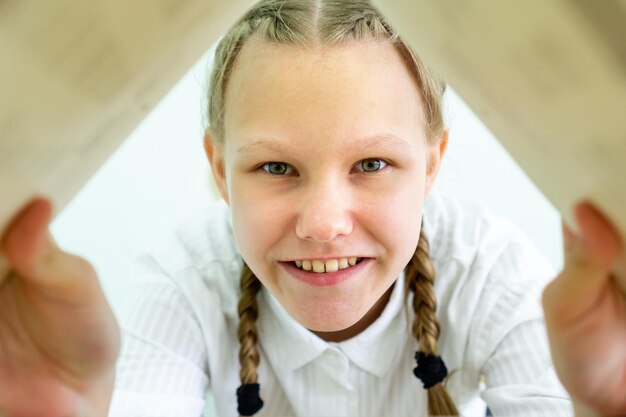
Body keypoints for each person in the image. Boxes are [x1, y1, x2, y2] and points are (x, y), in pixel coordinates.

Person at [0, 0, 624, 416]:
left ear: (432, 164)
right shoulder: (180, 284)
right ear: (221, 169)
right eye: (276, 168)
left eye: (372, 165)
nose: (324, 224)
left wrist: (602, 406)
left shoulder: (492, 273)